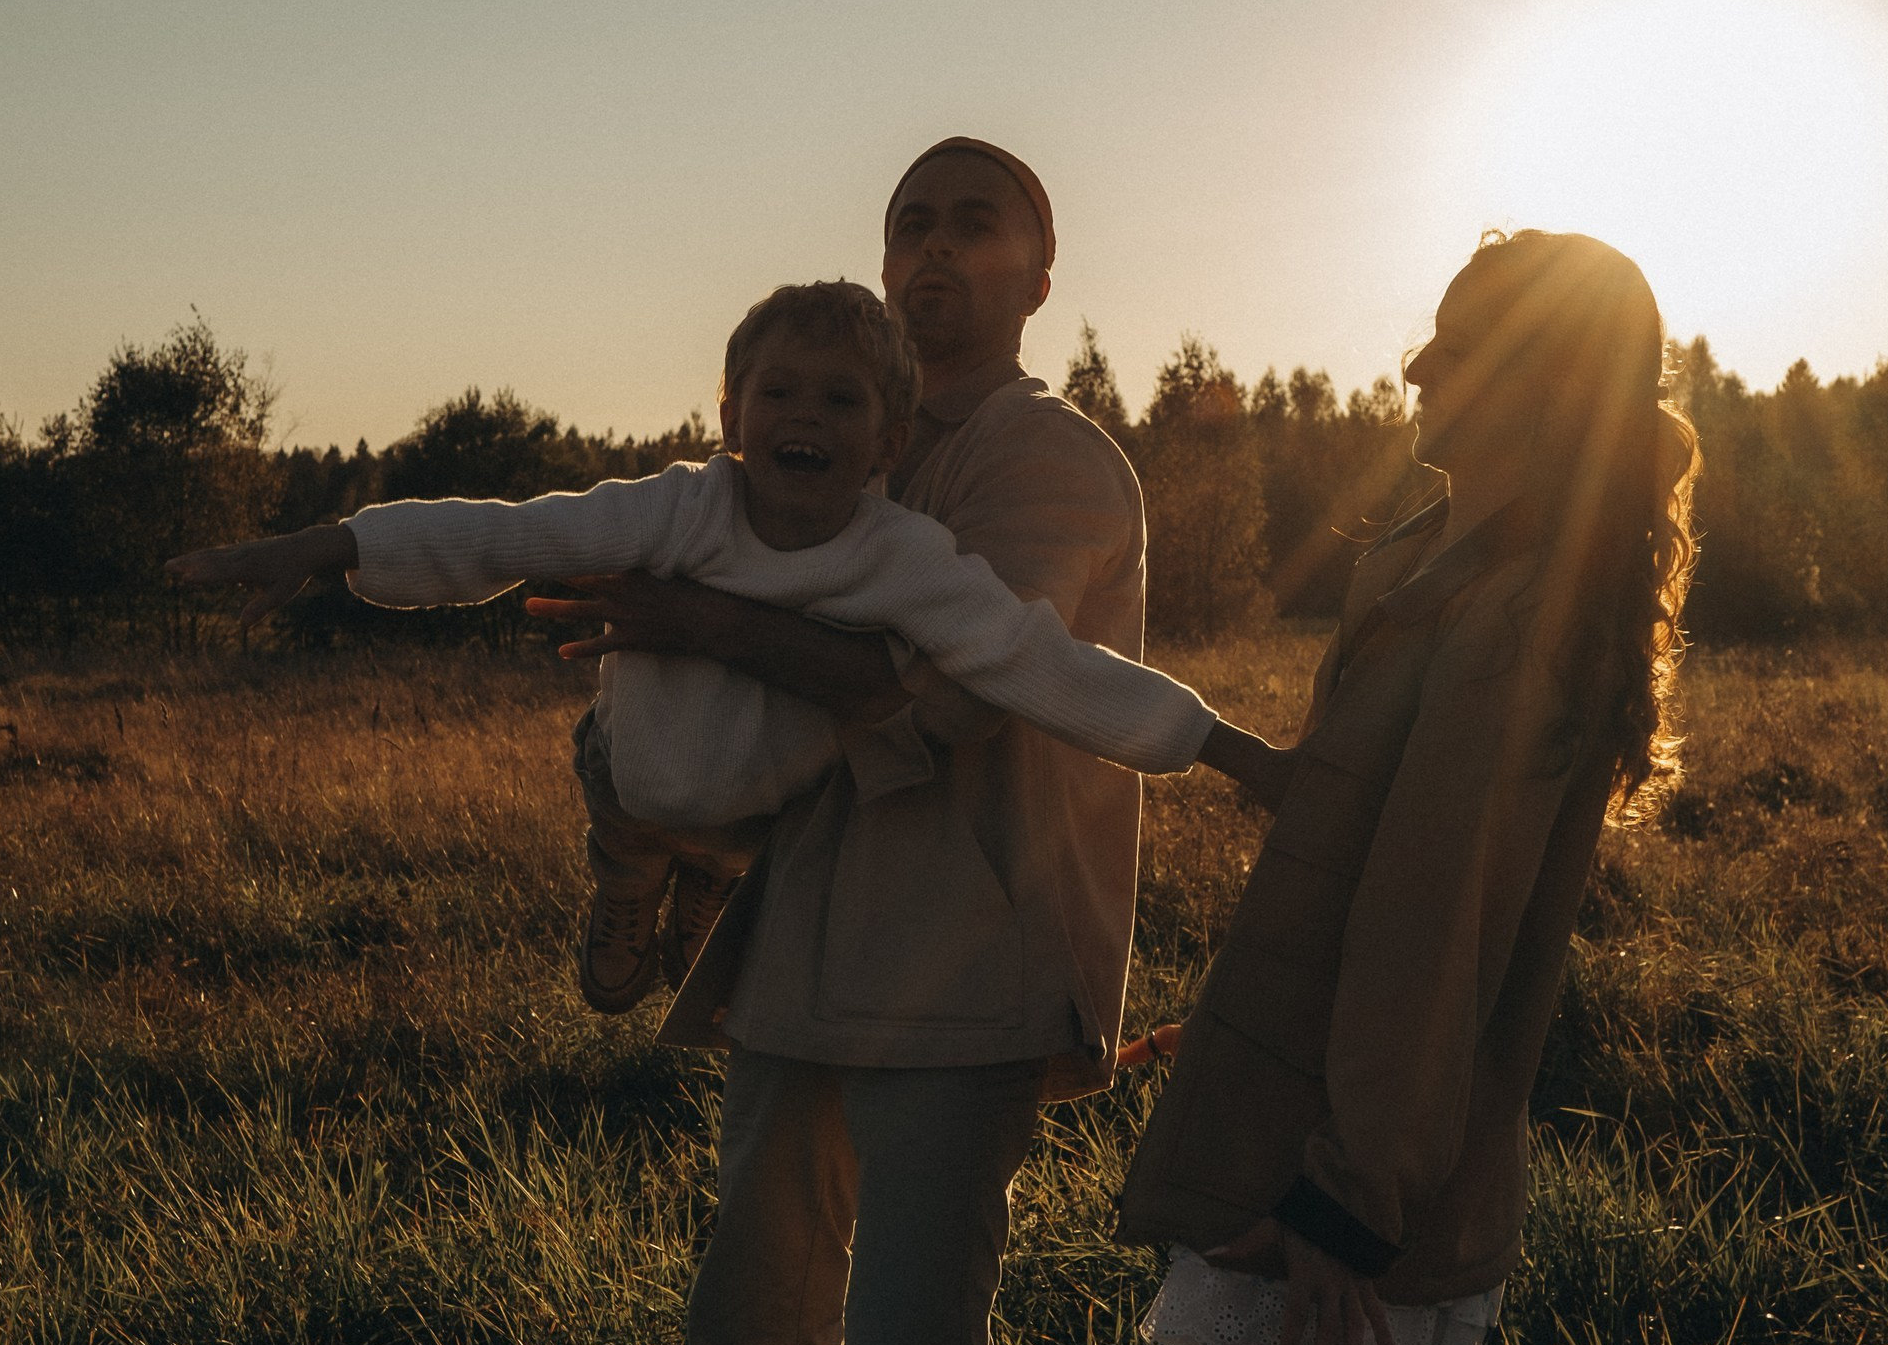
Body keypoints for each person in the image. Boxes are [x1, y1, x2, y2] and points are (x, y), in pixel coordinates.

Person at [536, 139, 1275, 1345]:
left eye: (973, 224)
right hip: (801, 945)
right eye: (910, 224)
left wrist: (704, 625)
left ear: (1039, 278)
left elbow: (957, 688)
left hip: (963, 965)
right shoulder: (840, 441)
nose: (934, 247)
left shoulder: (1044, 456)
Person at [166, 279, 1281, 1019]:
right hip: (635, 770)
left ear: (886, 443)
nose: (806, 413)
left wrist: (1223, 747)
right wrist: (330, 544)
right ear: (730, 414)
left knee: (743, 825)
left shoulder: (907, 557)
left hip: (759, 816)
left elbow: (1040, 661)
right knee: (614, 775)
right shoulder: (676, 509)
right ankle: (630, 873)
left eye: (840, 399)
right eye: (777, 390)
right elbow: (510, 531)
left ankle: (705, 874)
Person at [1111, 230, 1702, 1345]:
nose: (1416, 367)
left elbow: (1435, 921)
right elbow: (1357, 859)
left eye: (1462, 345)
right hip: (1322, 1131)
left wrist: (1350, 1195)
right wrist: (1257, 1017)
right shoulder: (1427, 565)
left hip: (1354, 1194)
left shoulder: (1519, 616)